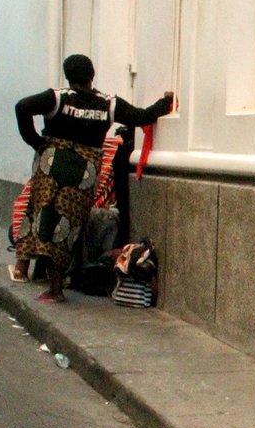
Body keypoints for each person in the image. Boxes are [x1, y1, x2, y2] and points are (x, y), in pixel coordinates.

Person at [10, 55, 172, 302]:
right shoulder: (107, 104)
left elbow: (22, 107)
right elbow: (141, 116)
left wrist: (35, 141)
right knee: (70, 227)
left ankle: (53, 287)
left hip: (52, 167)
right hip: (84, 173)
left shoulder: (56, 97)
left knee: (46, 220)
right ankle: (58, 284)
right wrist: (166, 102)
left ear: (67, 75)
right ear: (92, 75)